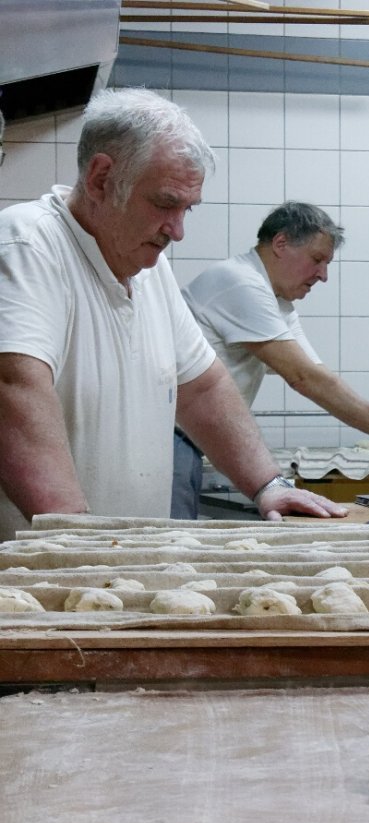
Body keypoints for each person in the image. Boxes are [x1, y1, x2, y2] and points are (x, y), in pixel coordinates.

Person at [0, 88, 345, 540]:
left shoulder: (150, 268)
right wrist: (80, 544)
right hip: (39, 576)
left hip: (117, 557)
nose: (178, 231)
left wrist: (267, 483)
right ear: (102, 178)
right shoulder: (27, 246)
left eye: (187, 209)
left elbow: (202, 387)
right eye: (165, 204)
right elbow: (13, 391)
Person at [172, 201, 369, 517]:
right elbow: (304, 379)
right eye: (317, 260)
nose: (322, 275)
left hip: (193, 440)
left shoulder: (278, 301)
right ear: (280, 243)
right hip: (170, 436)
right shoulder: (239, 280)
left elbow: (317, 374)